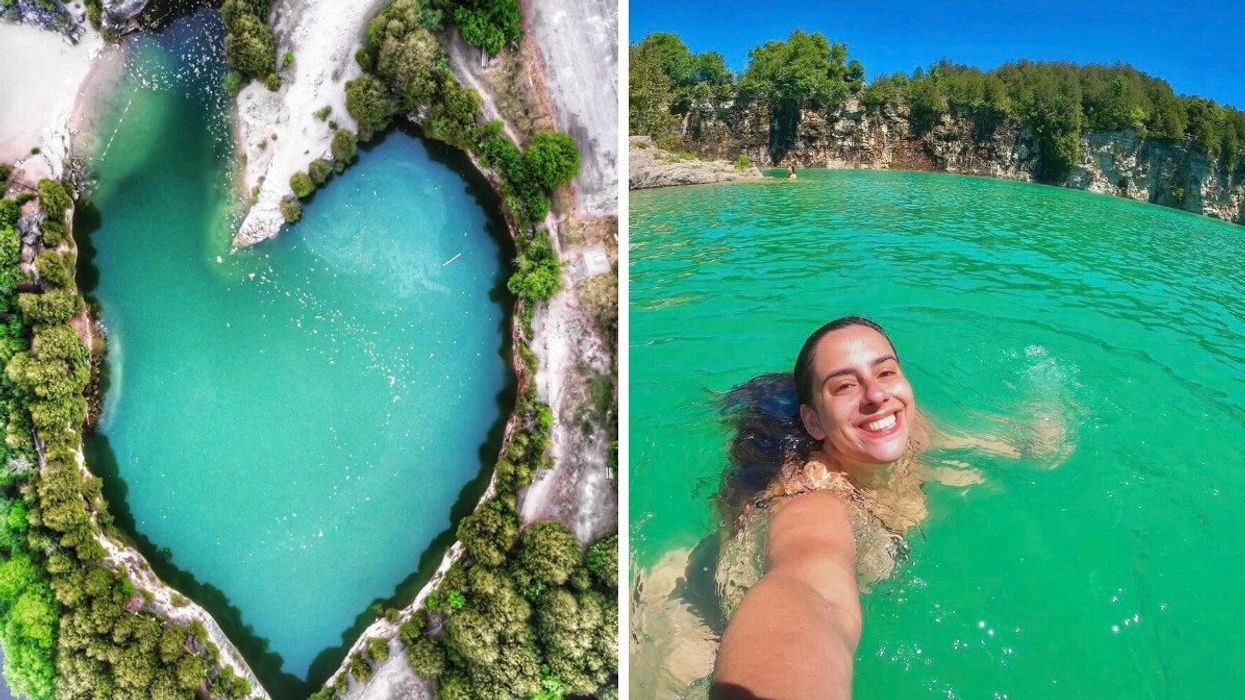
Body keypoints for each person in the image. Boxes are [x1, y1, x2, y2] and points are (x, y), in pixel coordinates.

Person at [709, 316, 1068, 698]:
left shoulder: (911, 429)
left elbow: (1018, 442)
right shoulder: (814, 505)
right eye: (845, 385)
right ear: (813, 422)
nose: (877, 396)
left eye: (886, 372)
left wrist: (1042, 436)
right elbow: (810, 588)